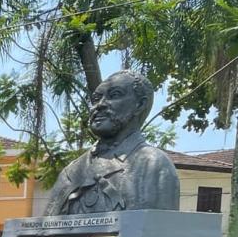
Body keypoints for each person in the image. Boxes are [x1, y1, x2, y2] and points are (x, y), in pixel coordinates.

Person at [46, 69, 179, 215]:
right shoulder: (71, 171)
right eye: (96, 99)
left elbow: (151, 227)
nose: (99, 105)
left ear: (140, 104)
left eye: (115, 95)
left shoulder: (153, 164)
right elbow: (47, 226)